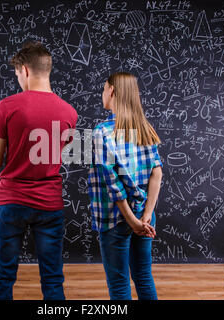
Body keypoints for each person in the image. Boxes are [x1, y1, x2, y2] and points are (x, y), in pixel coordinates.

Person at [0, 42, 78, 300]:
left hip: (12, 201)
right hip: (50, 203)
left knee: (4, 275)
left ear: (24, 70)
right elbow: (59, 154)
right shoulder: (70, 112)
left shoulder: (8, 106)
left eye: (17, 74)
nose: (18, 80)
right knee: (53, 278)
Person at [88, 72, 163, 300]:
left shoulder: (102, 132)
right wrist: (146, 215)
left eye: (103, 89)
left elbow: (113, 185)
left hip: (115, 219)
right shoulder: (145, 128)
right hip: (145, 217)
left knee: (119, 284)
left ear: (111, 90)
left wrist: (131, 221)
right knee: (143, 276)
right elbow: (157, 173)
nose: (102, 94)